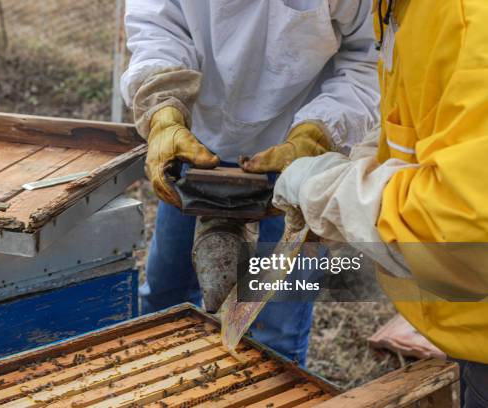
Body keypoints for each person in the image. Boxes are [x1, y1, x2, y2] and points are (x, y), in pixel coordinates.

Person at [121, 0, 380, 365]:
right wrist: (164, 107)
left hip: (297, 153)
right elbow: (157, 22)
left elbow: (371, 55)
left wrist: (318, 131)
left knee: (277, 332)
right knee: (164, 299)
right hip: (194, 141)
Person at [273, 0, 488, 405]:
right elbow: (426, 124)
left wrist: (329, 193)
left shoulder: (469, 18)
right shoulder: (403, 8)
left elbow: (461, 229)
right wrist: (361, 161)